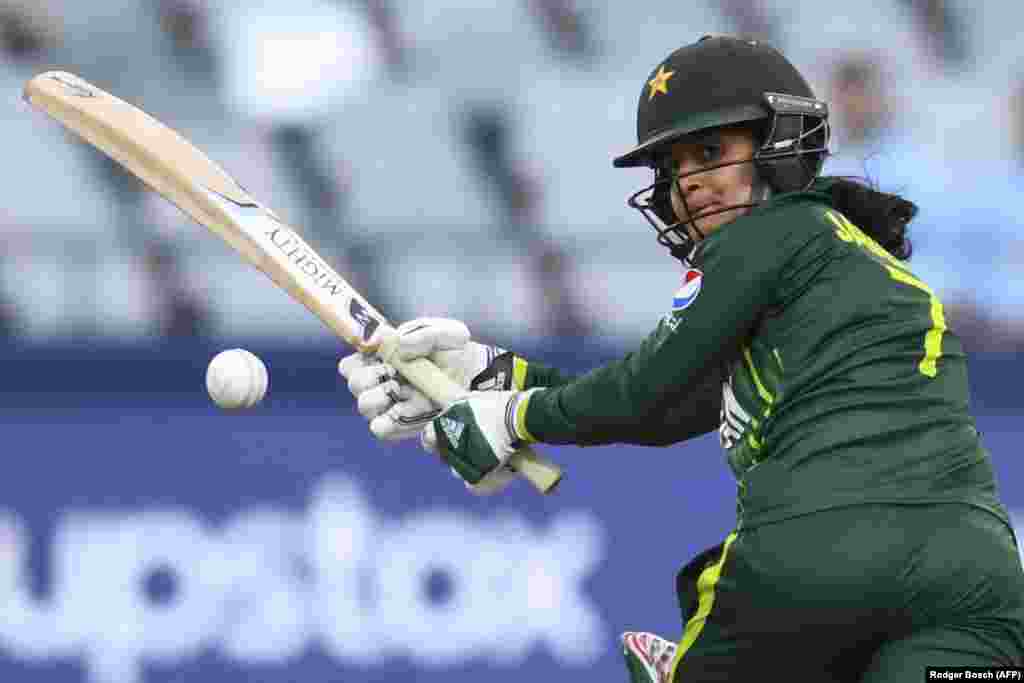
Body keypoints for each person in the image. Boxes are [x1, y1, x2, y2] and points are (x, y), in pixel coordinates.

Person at [338, 35, 1024, 680]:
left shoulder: (765, 235)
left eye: (709, 152)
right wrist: (497, 376)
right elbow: (669, 405)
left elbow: (646, 390)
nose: (687, 183)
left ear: (780, 141)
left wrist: (512, 417)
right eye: (673, 168)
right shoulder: (852, 263)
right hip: (977, 576)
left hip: (811, 556)